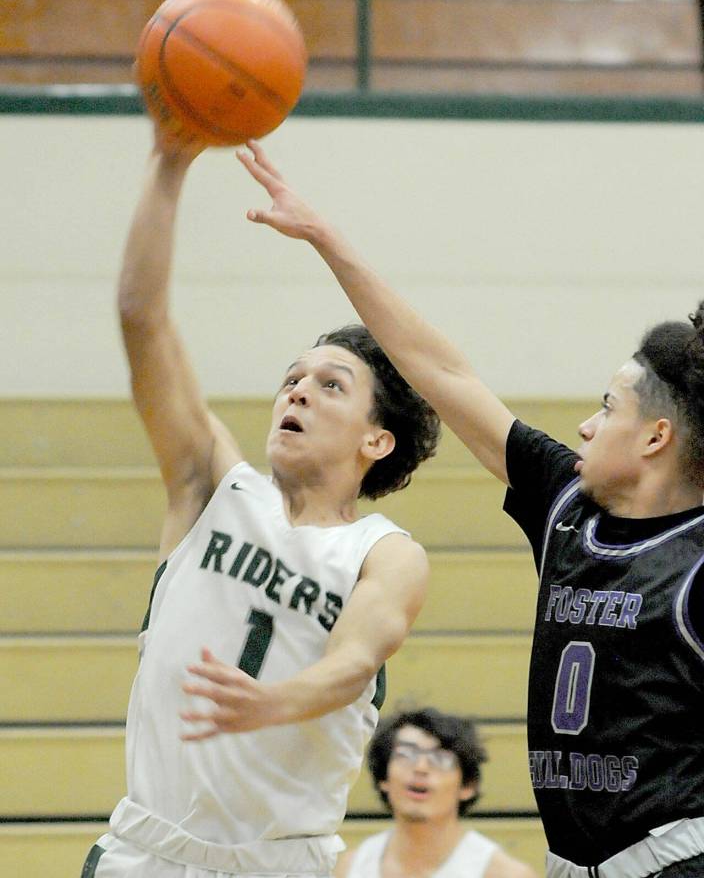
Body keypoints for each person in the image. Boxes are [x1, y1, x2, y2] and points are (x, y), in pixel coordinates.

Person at [238, 139, 704, 878]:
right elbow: (441, 370)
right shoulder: (566, 503)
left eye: (606, 407)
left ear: (655, 435)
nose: (585, 424)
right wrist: (328, 241)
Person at [80, 132, 441, 878]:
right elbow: (139, 316)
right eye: (293, 378)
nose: (299, 389)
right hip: (143, 855)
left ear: (377, 441)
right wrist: (169, 162)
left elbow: (352, 663)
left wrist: (274, 701)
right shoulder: (210, 483)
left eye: (331, 384)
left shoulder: (385, 551)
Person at [335, 707, 537, 878]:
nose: (421, 767)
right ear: (383, 778)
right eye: (406, 755)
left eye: (440, 759)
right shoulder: (350, 868)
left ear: (467, 786)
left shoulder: (505, 873)